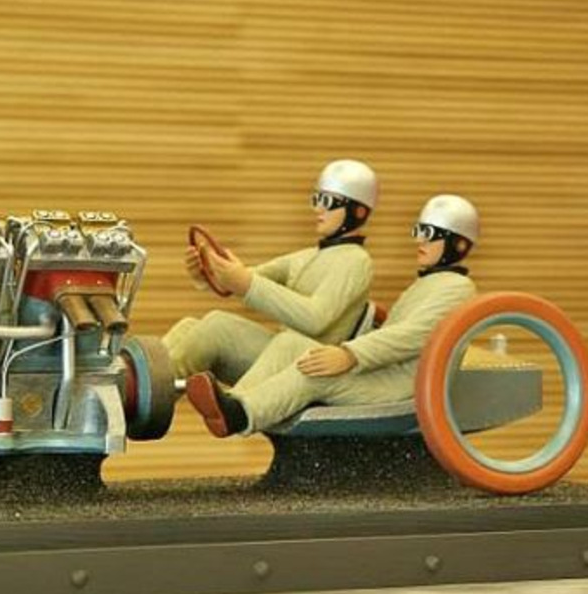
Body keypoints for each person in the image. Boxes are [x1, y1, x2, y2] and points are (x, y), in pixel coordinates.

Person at [185, 194, 480, 437]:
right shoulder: (428, 284)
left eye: (430, 234)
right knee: (291, 344)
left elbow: (413, 335)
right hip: (381, 370)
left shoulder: (457, 288)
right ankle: (233, 402)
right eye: (419, 231)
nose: (420, 241)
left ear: (459, 244)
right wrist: (217, 274)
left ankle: (241, 414)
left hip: (399, 386)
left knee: (314, 372)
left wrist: (351, 354)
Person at [163, 159, 378, 385]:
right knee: (188, 327)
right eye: (317, 199)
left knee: (216, 327)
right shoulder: (308, 256)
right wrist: (209, 274)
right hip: (279, 350)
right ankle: (143, 376)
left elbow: (315, 319)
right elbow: (249, 277)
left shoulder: (355, 261)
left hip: (304, 363)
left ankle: (150, 389)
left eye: (328, 201)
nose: (318, 209)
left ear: (358, 211)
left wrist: (247, 284)